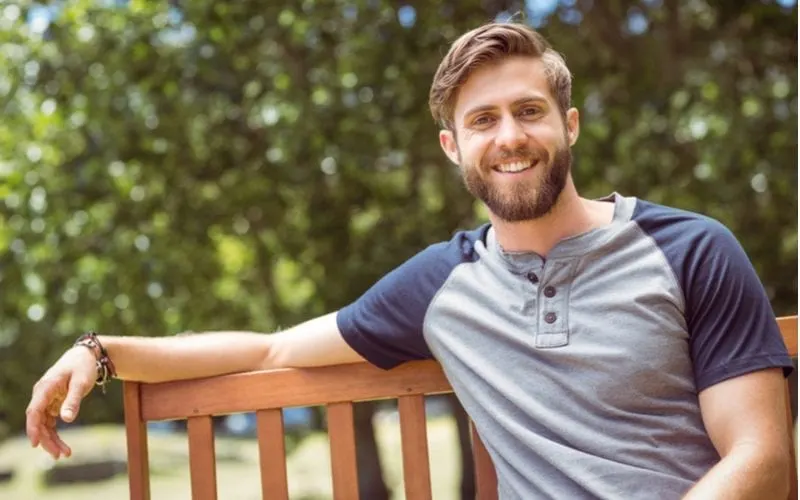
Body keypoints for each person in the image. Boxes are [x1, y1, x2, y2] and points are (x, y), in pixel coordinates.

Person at [26, 22, 793, 499]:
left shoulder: (690, 247)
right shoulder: (442, 284)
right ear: (454, 148)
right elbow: (272, 348)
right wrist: (103, 352)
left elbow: (762, 461)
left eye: (529, 111)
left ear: (570, 125)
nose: (510, 136)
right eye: (483, 120)